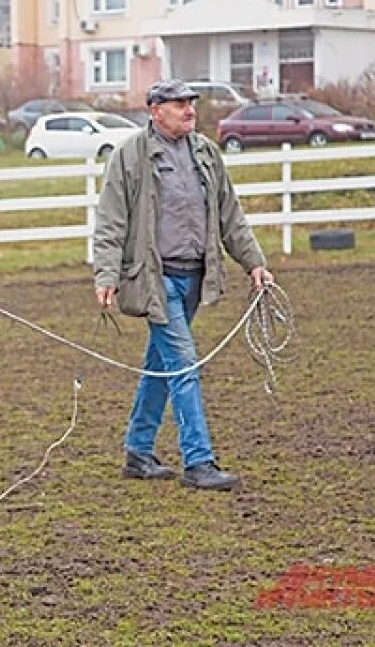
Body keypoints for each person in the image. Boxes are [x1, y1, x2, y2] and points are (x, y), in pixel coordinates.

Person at [92, 79, 273, 491]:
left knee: (161, 366)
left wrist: (254, 263)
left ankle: (138, 450)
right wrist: (105, 275)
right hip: (154, 281)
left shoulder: (206, 154)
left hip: (194, 278)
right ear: (155, 110)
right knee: (186, 365)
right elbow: (111, 221)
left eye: (191, 103)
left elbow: (231, 214)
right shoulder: (129, 156)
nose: (189, 110)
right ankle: (199, 461)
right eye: (179, 105)